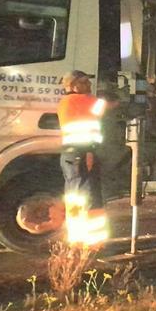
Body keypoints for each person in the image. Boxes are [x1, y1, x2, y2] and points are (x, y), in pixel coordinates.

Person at [56, 70, 108, 247]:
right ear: (73, 86)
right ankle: (93, 241)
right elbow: (107, 106)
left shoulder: (64, 102)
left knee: (74, 196)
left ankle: (76, 238)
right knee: (90, 196)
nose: (89, 86)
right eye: (85, 82)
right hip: (84, 153)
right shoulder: (86, 101)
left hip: (70, 155)